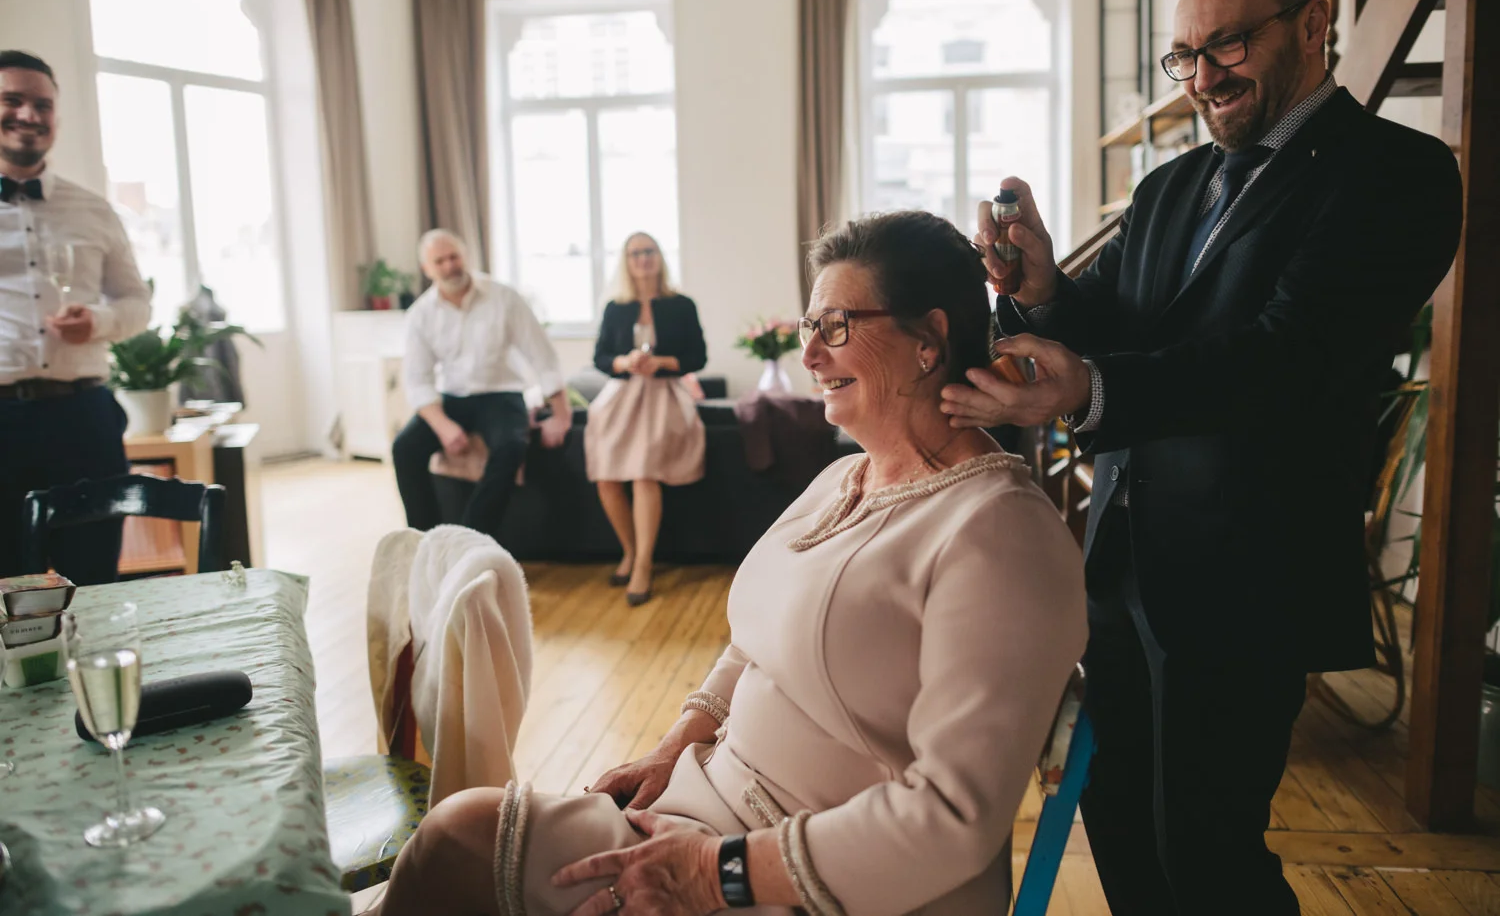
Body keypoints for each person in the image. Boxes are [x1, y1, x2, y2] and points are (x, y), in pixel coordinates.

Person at [941, 0, 1463, 915]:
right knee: (1120, 820)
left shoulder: (1397, 174)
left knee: (1210, 850)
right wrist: (1046, 285)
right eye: (1185, 54)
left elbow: (1285, 354)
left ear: (1314, 24)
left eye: (1229, 44)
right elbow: (1120, 325)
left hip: (1246, 577)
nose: (1202, 76)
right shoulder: (1170, 184)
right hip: (1123, 559)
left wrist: (1090, 390)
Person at [368, 211, 1086, 916]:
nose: (809, 355)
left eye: (836, 327)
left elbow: (952, 819)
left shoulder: (1000, 535)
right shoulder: (843, 478)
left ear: (928, 340)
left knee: (455, 855)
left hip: (817, 880)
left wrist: (715, 874)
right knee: (454, 835)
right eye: (810, 328)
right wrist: (676, 742)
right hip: (705, 806)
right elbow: (756, 637)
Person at [0, 50, 151, 584]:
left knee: (93, 578)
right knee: (6, 587)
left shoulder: (93, 209)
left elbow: (138, 302)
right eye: (12, 100)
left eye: (42, 104)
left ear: (56, 118)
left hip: (82, 418)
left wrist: (101, 323)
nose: (28, 115)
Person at [394, 229, 571, 542]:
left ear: (466, 257)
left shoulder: (503, 297)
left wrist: (561, 413)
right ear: (427, 269)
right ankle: (426, 543)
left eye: (454, 257)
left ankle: (469, 541)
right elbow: (418, 380)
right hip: (451, 399)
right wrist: (443, 426)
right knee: (404, 449)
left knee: (511, 446)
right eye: (440, 261)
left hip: (501, 394)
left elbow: (542, 356)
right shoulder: (420, 314)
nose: (450, 266)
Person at [587, 233, 707, 607]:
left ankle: (643, 564)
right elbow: (601, 358)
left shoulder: (681, 304)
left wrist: (661, 363)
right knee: (606, 476)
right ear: (626, 260)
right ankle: (629, 550)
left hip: (664, 394)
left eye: (649, 251)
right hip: (623, 396)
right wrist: (624, 362)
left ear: (659, 257)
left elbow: (698, 357)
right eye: (635, 253)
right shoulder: (615, 307)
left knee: (643, 472)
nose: (643, 258)